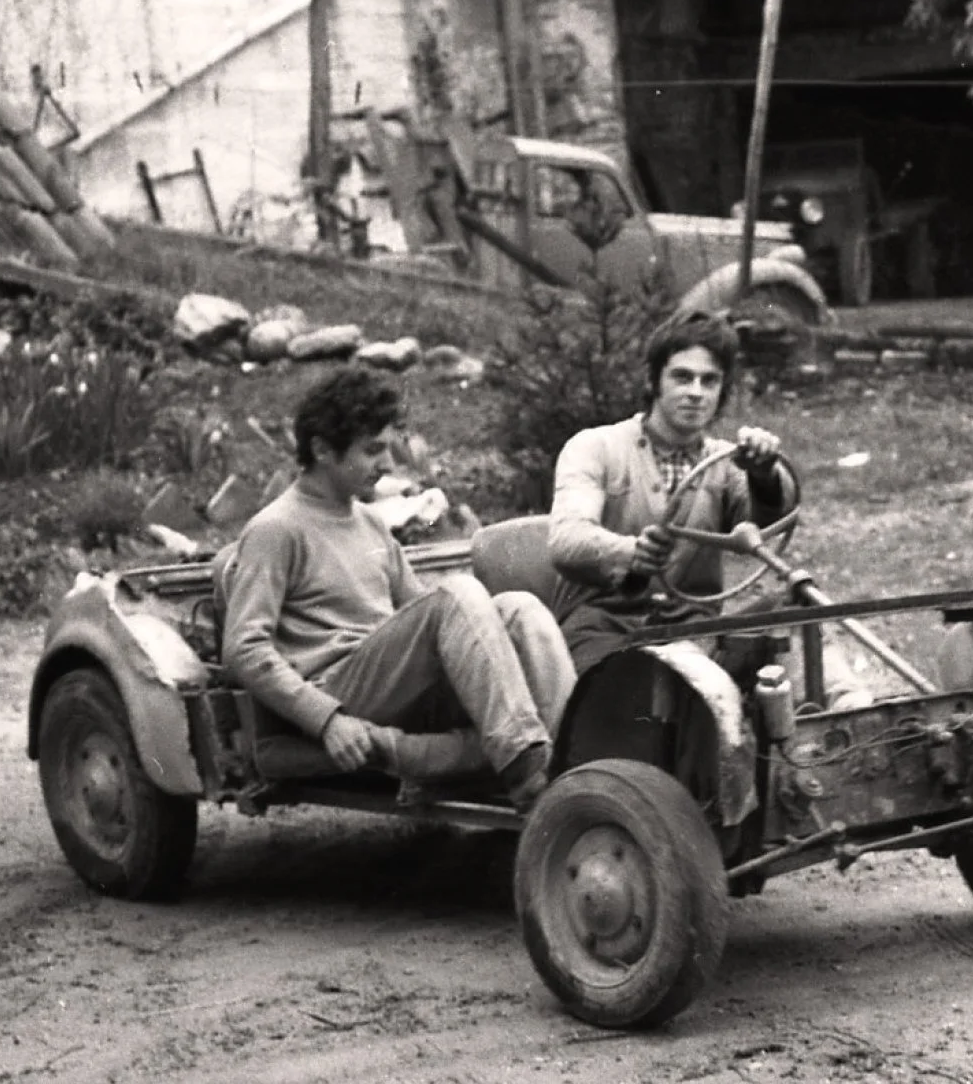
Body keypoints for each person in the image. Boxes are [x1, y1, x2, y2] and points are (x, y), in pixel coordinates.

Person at [222, 365, 575, 806]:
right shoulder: (276, 529)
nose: (388, 464)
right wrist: (327, 720)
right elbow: (244, 648)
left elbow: (428, 616)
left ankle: (571, 756)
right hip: (337, 689)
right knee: (457, 592)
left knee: (520, 608)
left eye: (389, 449)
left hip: (389, 684)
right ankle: (523, 762)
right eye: (373, 450)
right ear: (322, 449)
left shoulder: (369, 523)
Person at [540, 313, 796, 672]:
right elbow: (567, 540)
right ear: (653, 380)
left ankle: (848, 701)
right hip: (605, 633)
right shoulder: (596, 448)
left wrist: (764, 474)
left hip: (697, 634)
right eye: (682, 377)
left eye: (709, 381)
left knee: (797, 606)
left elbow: (765, 526)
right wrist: (631, 553)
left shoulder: (727, 463)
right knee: (642, 687)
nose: (696, 392)